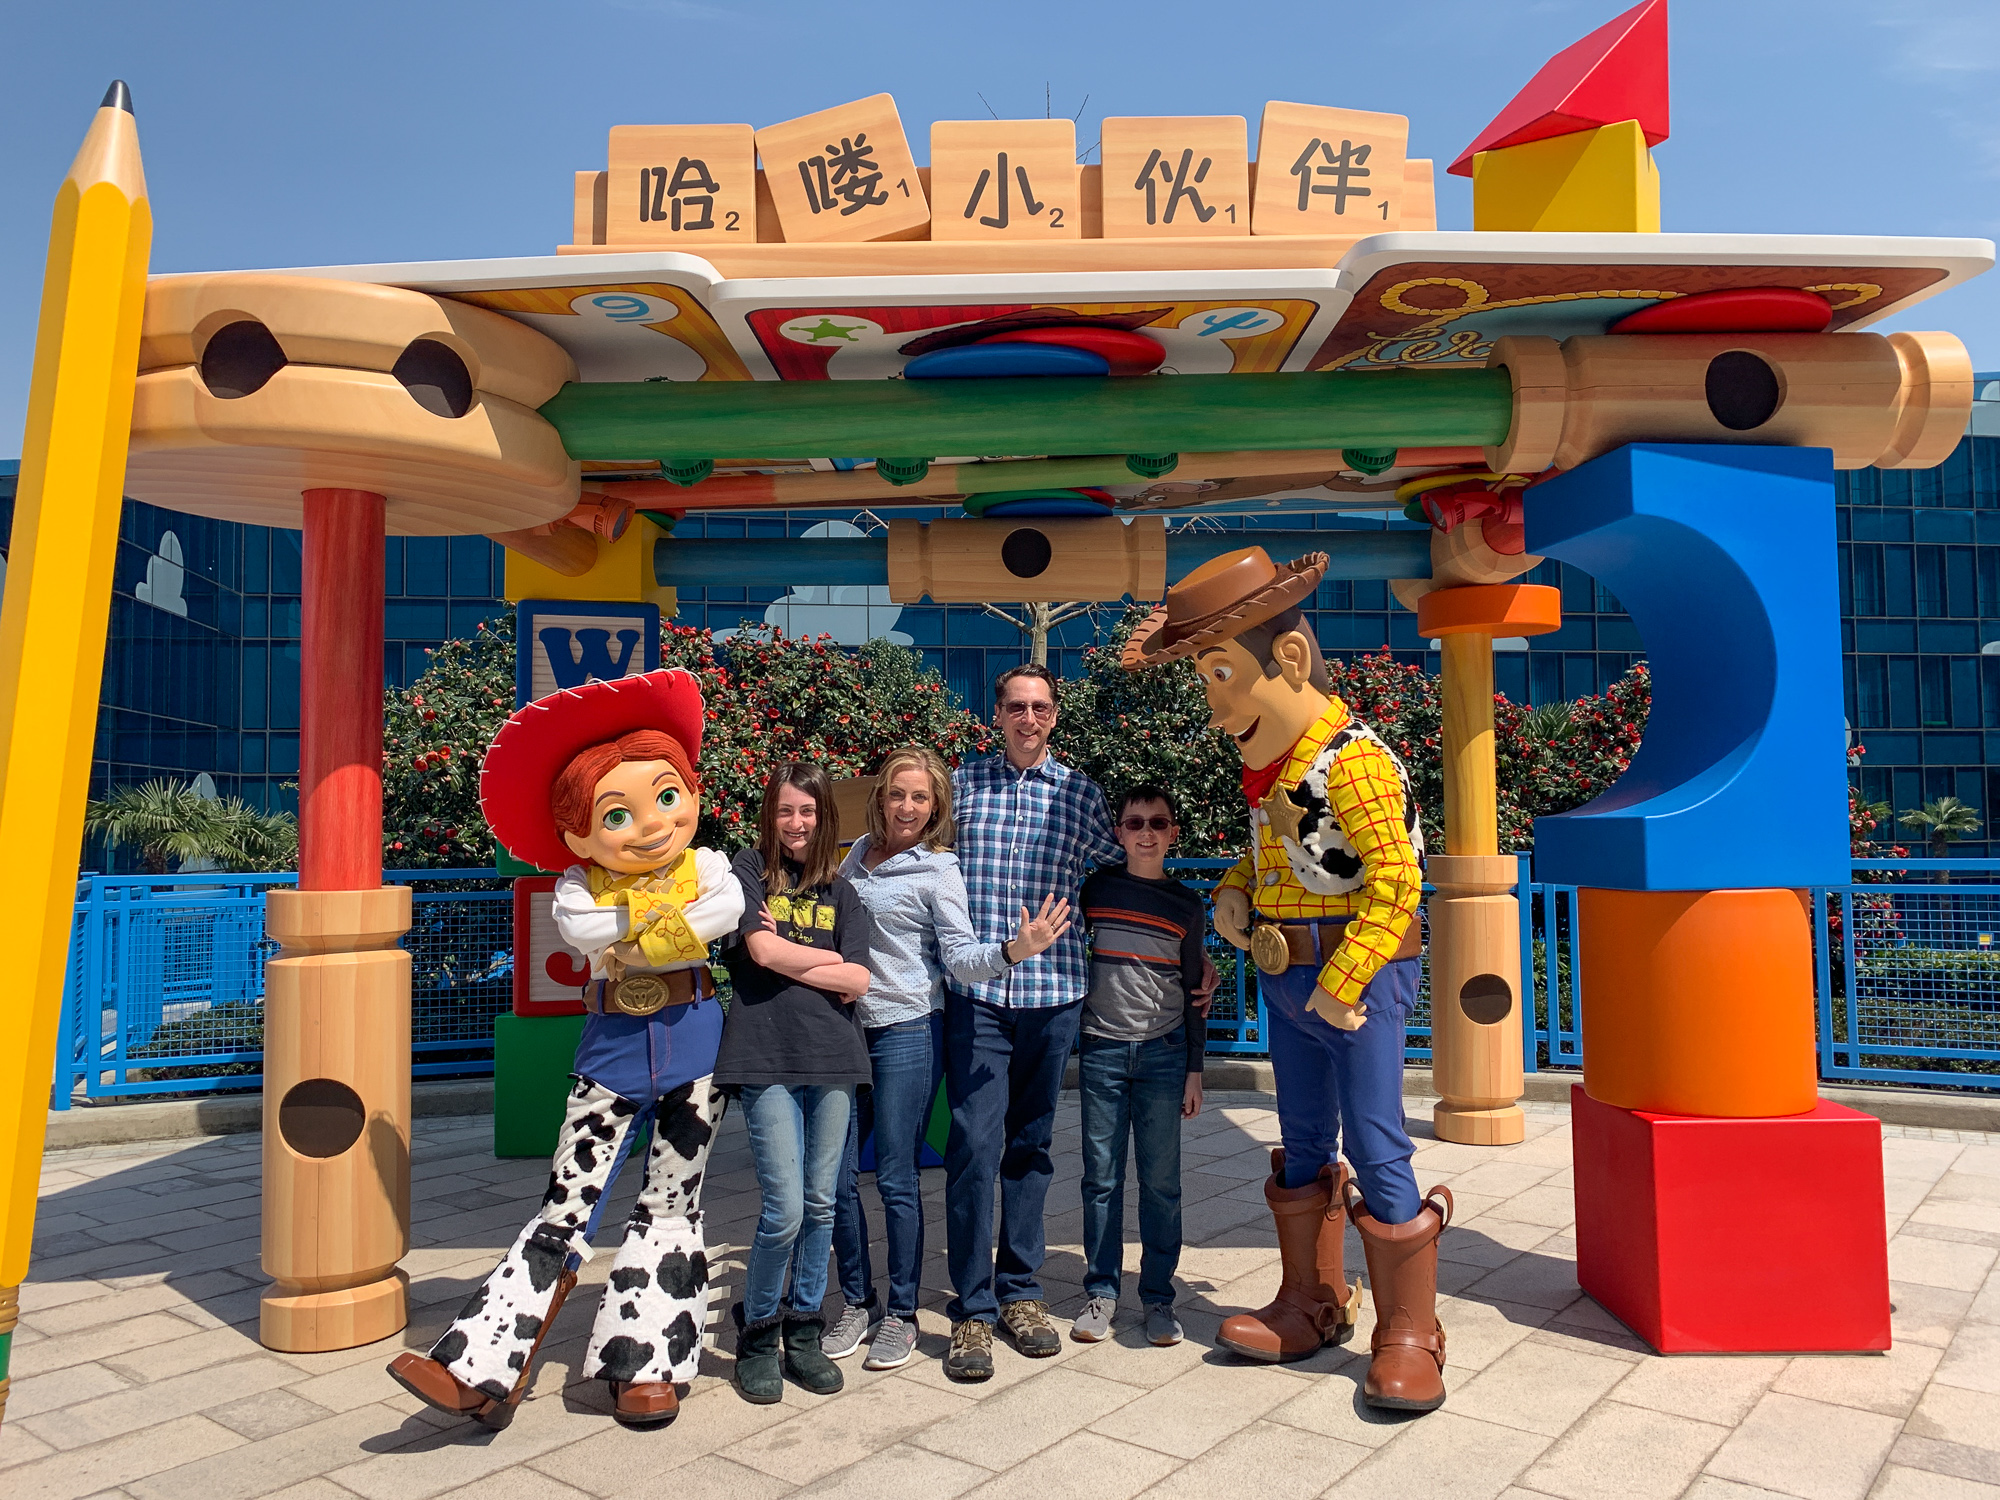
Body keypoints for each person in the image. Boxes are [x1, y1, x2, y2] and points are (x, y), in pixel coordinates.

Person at [1123, 547, 1452, 1413]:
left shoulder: (1356, 760)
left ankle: (1411, 1331)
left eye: (1224, 673)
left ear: (1291, 662)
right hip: (1287, 979)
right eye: (1206, 678)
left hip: (1356, 983)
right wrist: (1235, 891)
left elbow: (1395, 879)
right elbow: (1280, 856)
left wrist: (1345, 977)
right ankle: (1311, 1299)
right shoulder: (1278, 770)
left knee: (1379, 1140)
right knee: (1304, 1137)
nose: (1216, 703)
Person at [389, 669, 743, 1431]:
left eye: (666, 798)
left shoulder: (708, 863)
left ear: (691, 793)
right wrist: (659, 924)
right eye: (617, 813)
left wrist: (632, 929)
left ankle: (648, 1364)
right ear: (578, 830)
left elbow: (725, 912)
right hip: (610, 1044)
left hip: (695, 1043)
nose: (650, 826)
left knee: (672, 1205)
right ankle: (479, 1366)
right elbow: (581, 934)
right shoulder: (575, 884)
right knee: (564, 1205)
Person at [826, 745, 1071, 1371]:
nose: (906, 806)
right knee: (834, 1175)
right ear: (881, 796)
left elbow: (960, 958)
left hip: (908, 1027)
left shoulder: (937, 869)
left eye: (920, 798)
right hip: (846, 1027)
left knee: (897, 1174)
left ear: (936, 807)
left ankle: (903, 1314)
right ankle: (858, 1299)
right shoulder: (855, 854)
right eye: (897, 794)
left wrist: (1015, 951)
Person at [941, 662, 1122, 1382]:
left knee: (1032, 1146)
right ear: (997, 713)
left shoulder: (1081, 794)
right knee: (972, 1147)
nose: (1028, 718)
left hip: (1054, 995)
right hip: (979, 995)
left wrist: (1185, 946)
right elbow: (916, 860)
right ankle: (973, 1310)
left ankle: (1020, 1293)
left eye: (1040, 707)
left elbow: (1120, 869)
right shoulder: (962, 785)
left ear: (1054, 716)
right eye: (1016, 705)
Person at [713, 762, 874, 1404]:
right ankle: (758, 1333)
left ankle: (803, 1330)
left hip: (834, 1057)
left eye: (808, 811)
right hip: (764, 1055)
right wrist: (829, 960)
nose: (797, 823)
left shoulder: (845, 891)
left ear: (825, 816)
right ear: (770, 815)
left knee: (822, 1203)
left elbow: (861, 981)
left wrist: (813, 960)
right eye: (785, 811)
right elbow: (760, 953)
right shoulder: (747, 872)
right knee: (783, 1209)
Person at [1070, 784, 1208, 1350]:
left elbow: (1197, 988)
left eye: (1157, 823)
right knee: (1099, 1180)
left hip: (1163, 1054)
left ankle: (1158, 1298)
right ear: (1119, 832)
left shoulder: (1186, 905)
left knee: (1162, 1184)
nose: (1146, 832)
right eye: (1134, 823)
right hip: (1102, 1049)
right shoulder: (1096, 890)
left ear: (1173, 832)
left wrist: (1195, 1070)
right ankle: (1101, 1291)